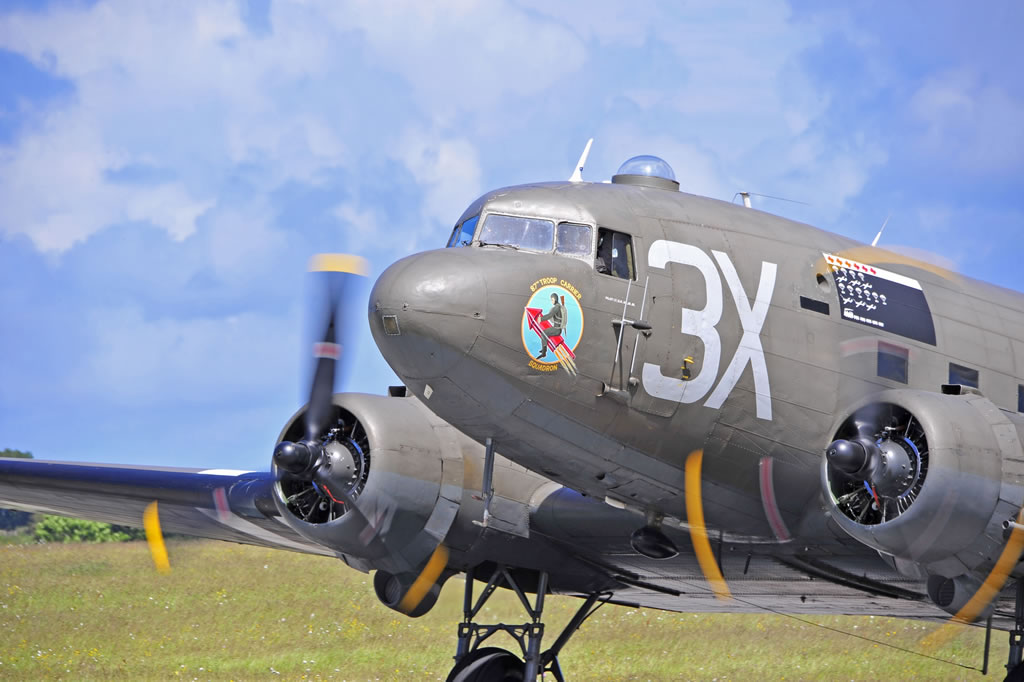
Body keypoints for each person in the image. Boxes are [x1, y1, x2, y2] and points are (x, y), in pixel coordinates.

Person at [537, 293, 565, 359]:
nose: (551, 301)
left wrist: (541, 319)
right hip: (556, 328)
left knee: (543, 333)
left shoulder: (557, 307)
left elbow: (550, 315)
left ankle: (544, 353)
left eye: (552, 300)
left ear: (555, 299)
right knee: (545, 332)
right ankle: (544, 349)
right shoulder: (559, 306)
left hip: (557, 329)